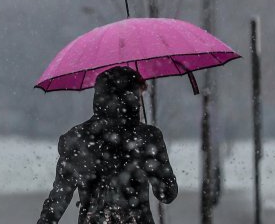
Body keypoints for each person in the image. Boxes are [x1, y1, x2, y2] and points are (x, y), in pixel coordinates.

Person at [37, 66, 178, 224]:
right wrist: (151, 158)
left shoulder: (77, 138)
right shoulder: (147, 137)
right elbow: (167, 194)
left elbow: (59, 199)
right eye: (139, 93)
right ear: (131, 96)